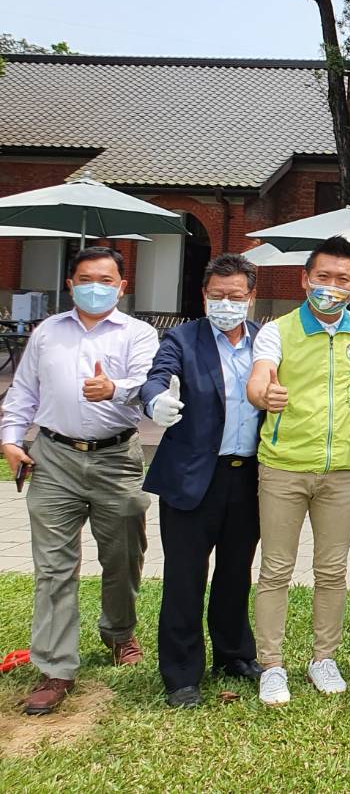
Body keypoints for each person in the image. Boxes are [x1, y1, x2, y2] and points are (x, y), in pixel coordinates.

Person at [0, 246, 158, 716]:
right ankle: (55, 667)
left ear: (121, 286)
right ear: (70, 284)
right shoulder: (47, 332)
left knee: (124, 554)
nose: (96, 286)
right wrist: (11, 439)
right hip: (52, 459)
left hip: (117, 459)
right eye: (86, 278)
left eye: (106, 280)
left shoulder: (139, 334)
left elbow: (150, 387)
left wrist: (116, 389)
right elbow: (25, 390)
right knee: (52, 567)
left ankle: (119, 632)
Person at [246, 234, 350, 707]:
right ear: (305, 279)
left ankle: (324, 658)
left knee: (332, 570)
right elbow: (260, 378)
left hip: (341, 471)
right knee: (276, 570)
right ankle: (272, 664)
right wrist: (266, 395)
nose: (332, 286)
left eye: (342, 279)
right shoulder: (277, 330)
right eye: (322, 277)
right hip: (282, 468)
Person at [140, 253, 265, 709]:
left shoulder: (265, 341)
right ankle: (181, 674)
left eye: (235, 296)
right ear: (204, 296)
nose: (226, 304)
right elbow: (156, 380)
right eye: (217, 296)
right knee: (185, 577)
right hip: (194, 477)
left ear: (251, 297)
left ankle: (233, 654)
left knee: (237, 572)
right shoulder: (183, 338)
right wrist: (156, 403)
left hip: (248, 476)